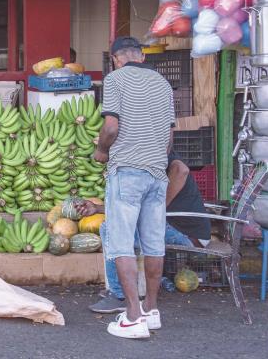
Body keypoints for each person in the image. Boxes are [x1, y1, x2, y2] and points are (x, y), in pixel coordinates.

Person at [93, 36, 174, 339]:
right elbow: (168, 139)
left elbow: (111, 127)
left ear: (116, 59)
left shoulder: (114, 80)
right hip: (157, 173)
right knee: (154, 244)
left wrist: (102, 151)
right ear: (141, 56)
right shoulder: (163, 85)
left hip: (127, 171)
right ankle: (151, 310)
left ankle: (132, 316)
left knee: (121, 244)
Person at [81, 151, 212, 314]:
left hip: (187, 234)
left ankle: (120, 295)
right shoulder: (145, 163)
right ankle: (129, 292)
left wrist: (159, 207)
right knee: (112, 225)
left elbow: (181, 170)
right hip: (173, 226)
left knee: (111, 228)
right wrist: (97, 209)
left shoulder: (156, 154)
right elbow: (130, 207)